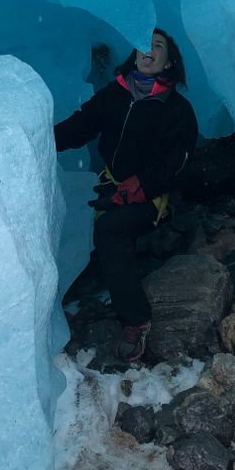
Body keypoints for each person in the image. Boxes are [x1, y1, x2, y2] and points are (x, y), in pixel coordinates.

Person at [54, 29, 198, 363]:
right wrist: (40, 139)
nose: (148, 51)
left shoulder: (177, 109)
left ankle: (136, 318)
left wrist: (128, 193)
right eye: (143, 45)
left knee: (110, 229)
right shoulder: (115, 94)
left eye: (158, 47)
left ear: (170, 60)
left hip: (154, 197)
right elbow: (81, 126)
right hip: (113, 184)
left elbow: (173, 168)